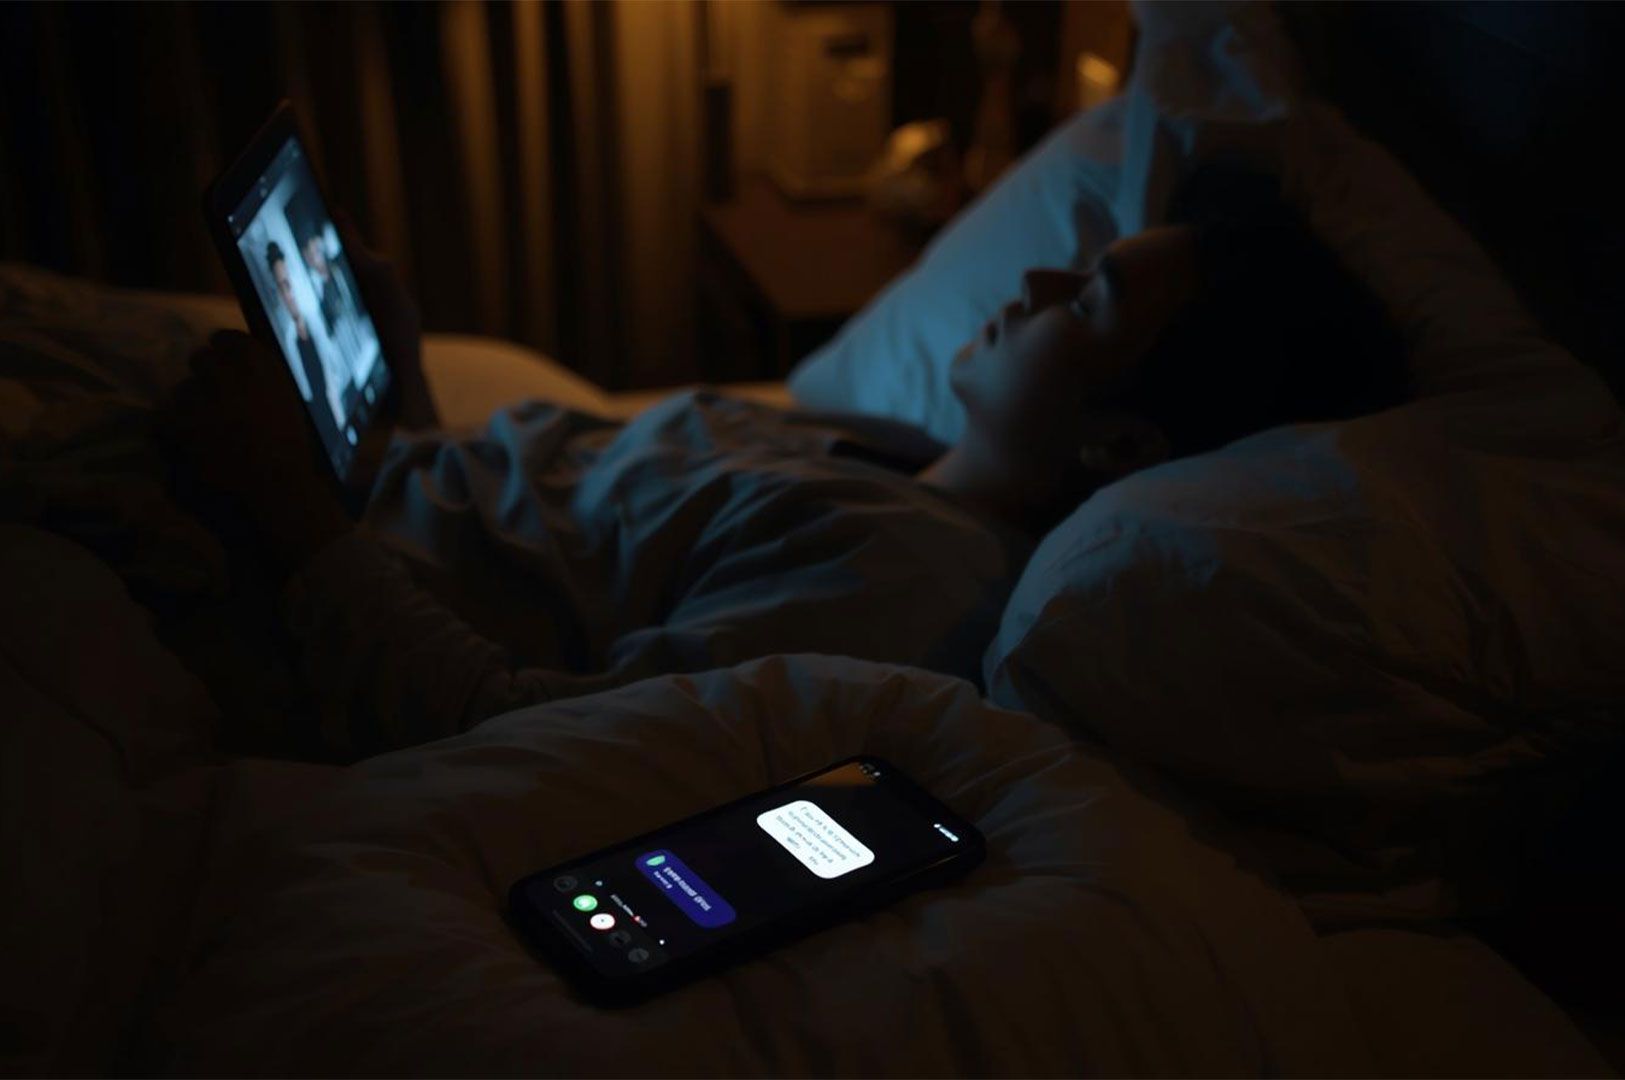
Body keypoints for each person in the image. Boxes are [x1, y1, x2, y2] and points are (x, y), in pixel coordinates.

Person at [172, 165, 1406, 759]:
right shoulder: (904, 461)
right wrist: (405, 413)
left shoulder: (907, 581)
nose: (1031, 281)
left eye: (1082, 300)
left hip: (249, 587)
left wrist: (293, 510)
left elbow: (509, 730)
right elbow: (563, 548)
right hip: (331, 497)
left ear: (1123, 444)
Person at [266, 240, 355, 447]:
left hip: (338, 412)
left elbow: (335, 369)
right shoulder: (288, 341)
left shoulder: (315, 323)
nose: (289, 294)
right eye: (282, 287)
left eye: (289, 283)